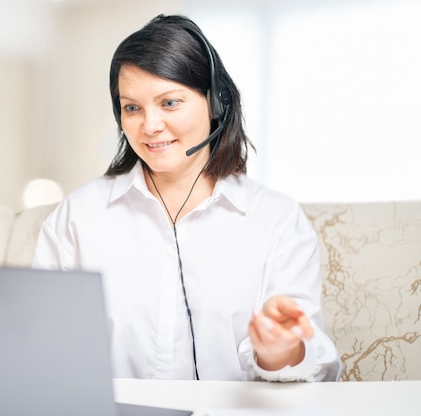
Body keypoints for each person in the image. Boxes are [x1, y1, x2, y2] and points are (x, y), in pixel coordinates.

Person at [32, 14, 342, 382]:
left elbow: (318, 371)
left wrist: (281, 351)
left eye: (169, 103)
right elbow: (44, 348)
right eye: (132, 107)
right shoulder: (79, 216)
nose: (149, 126)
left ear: (215, 103)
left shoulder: (276, 219)